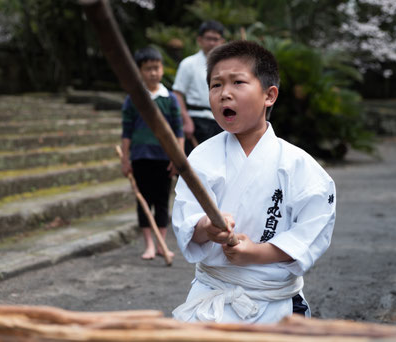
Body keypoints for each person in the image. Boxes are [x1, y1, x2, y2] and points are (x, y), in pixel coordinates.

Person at [171, 41, 336, 323]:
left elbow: (312, 230)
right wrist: (206, 228)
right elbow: (187, 218)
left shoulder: (299, 166)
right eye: (216, 85)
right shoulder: (201, 158)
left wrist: (258, 253)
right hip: (212, 297)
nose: (225, 94)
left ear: (269, 95)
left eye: (238, 82)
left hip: (275, 301)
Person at [121, 46, 184, 260]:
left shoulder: (170, 98)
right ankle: (148, 244)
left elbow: (178, 131)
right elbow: (126, 131)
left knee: (162, 202)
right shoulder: (133, 99)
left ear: (162, 69)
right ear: (140, 71)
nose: (153, 73)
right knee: (143, 202)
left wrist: (178, 158)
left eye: (156, 68)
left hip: (165, 160)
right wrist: (124, 159)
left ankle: (161, 243)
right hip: (140, 158)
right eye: (148, 69)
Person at [172, 20, 225, 155]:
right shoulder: (188, 64)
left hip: (222, 120)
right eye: (208, 38)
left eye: (216, 39)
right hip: (196, 121)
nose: (212, 43)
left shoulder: (228, 66)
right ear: (200, 40)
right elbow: (177, 94)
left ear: (222, 41)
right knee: (197, 163)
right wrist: (186, 120)